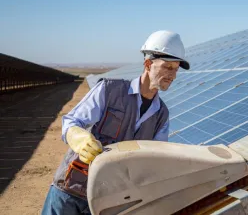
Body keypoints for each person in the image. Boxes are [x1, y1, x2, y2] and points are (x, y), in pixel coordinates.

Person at [41, 30, 190, 215]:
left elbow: (155, 160)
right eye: (167, 67)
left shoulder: (161, 115)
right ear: (148, 63)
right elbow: (72, 121)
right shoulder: (109, 90)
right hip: (70, 190)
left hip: (106, 201)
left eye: (176, 69)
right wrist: (77, 136)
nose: (173, 75)